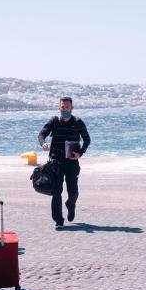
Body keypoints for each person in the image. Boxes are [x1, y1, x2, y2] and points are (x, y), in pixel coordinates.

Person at [39, 97, 91, 229]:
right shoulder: (54, 121)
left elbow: (87, 140)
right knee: (56, 191)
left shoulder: (78, 122)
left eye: (67, 107)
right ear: (59, 107)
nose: (64, 109)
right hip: (56, 162)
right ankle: (58, 220)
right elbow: (41, 134)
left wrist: (80, 153)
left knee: (73, 192)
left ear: (72, 108)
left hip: (72, 162)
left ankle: (71, 204)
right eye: (62, 107)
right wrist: (43, 143)